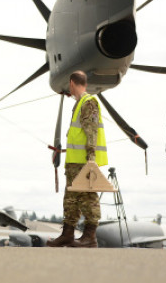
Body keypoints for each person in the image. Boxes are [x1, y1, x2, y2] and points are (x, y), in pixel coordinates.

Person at [47, 71, 107, 248]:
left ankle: (90, 236)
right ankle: (67, 234)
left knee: (88, 197)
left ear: (72, 83)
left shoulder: (88, 102)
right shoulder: (80, 103)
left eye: (69, 85)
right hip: (74, 161)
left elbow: (91, 131)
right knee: (71, 199)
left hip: (84, 161)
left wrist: (91, 159)